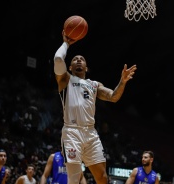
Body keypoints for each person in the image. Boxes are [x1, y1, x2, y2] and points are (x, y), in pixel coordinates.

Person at [53, 31, 137, 184]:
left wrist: (122, 81)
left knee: (103, 178)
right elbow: (58, 58)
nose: (78, 60)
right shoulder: (65, 80)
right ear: (70, 67)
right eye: (75, 59)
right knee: (74, 178)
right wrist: (66, 43)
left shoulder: (94, 85)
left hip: (91, 133)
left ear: (86, 67)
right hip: (72, 132)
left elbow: (113, 97)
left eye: (82, 59)